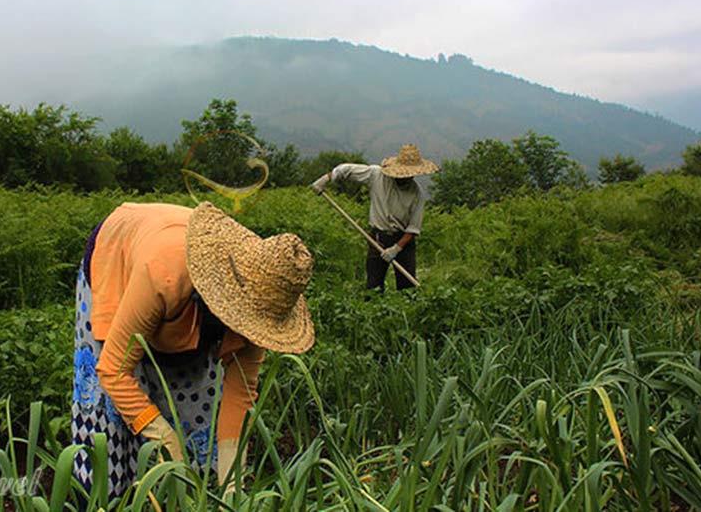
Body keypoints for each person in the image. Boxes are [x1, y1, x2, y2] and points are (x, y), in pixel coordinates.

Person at [71, 200, 315, 497]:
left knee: (196, 402)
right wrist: (161, 434)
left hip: (177, 286)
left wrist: (231, 483)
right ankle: (111, 495)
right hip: (119, 253)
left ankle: (183, 489)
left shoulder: (263, 293)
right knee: (108, 408)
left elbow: (240, 392)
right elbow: (113, 370)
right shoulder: (164, 272)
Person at [311, 143, 438, 291]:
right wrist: (326, 179)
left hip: (403, 242)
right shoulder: (376, 175)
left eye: (409, 174)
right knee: (373, 286)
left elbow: (413, 228)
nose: (405, 178)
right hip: (378, 238)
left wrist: (396, 249)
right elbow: (347, 170)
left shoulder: (417, 194)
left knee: (407, 288)